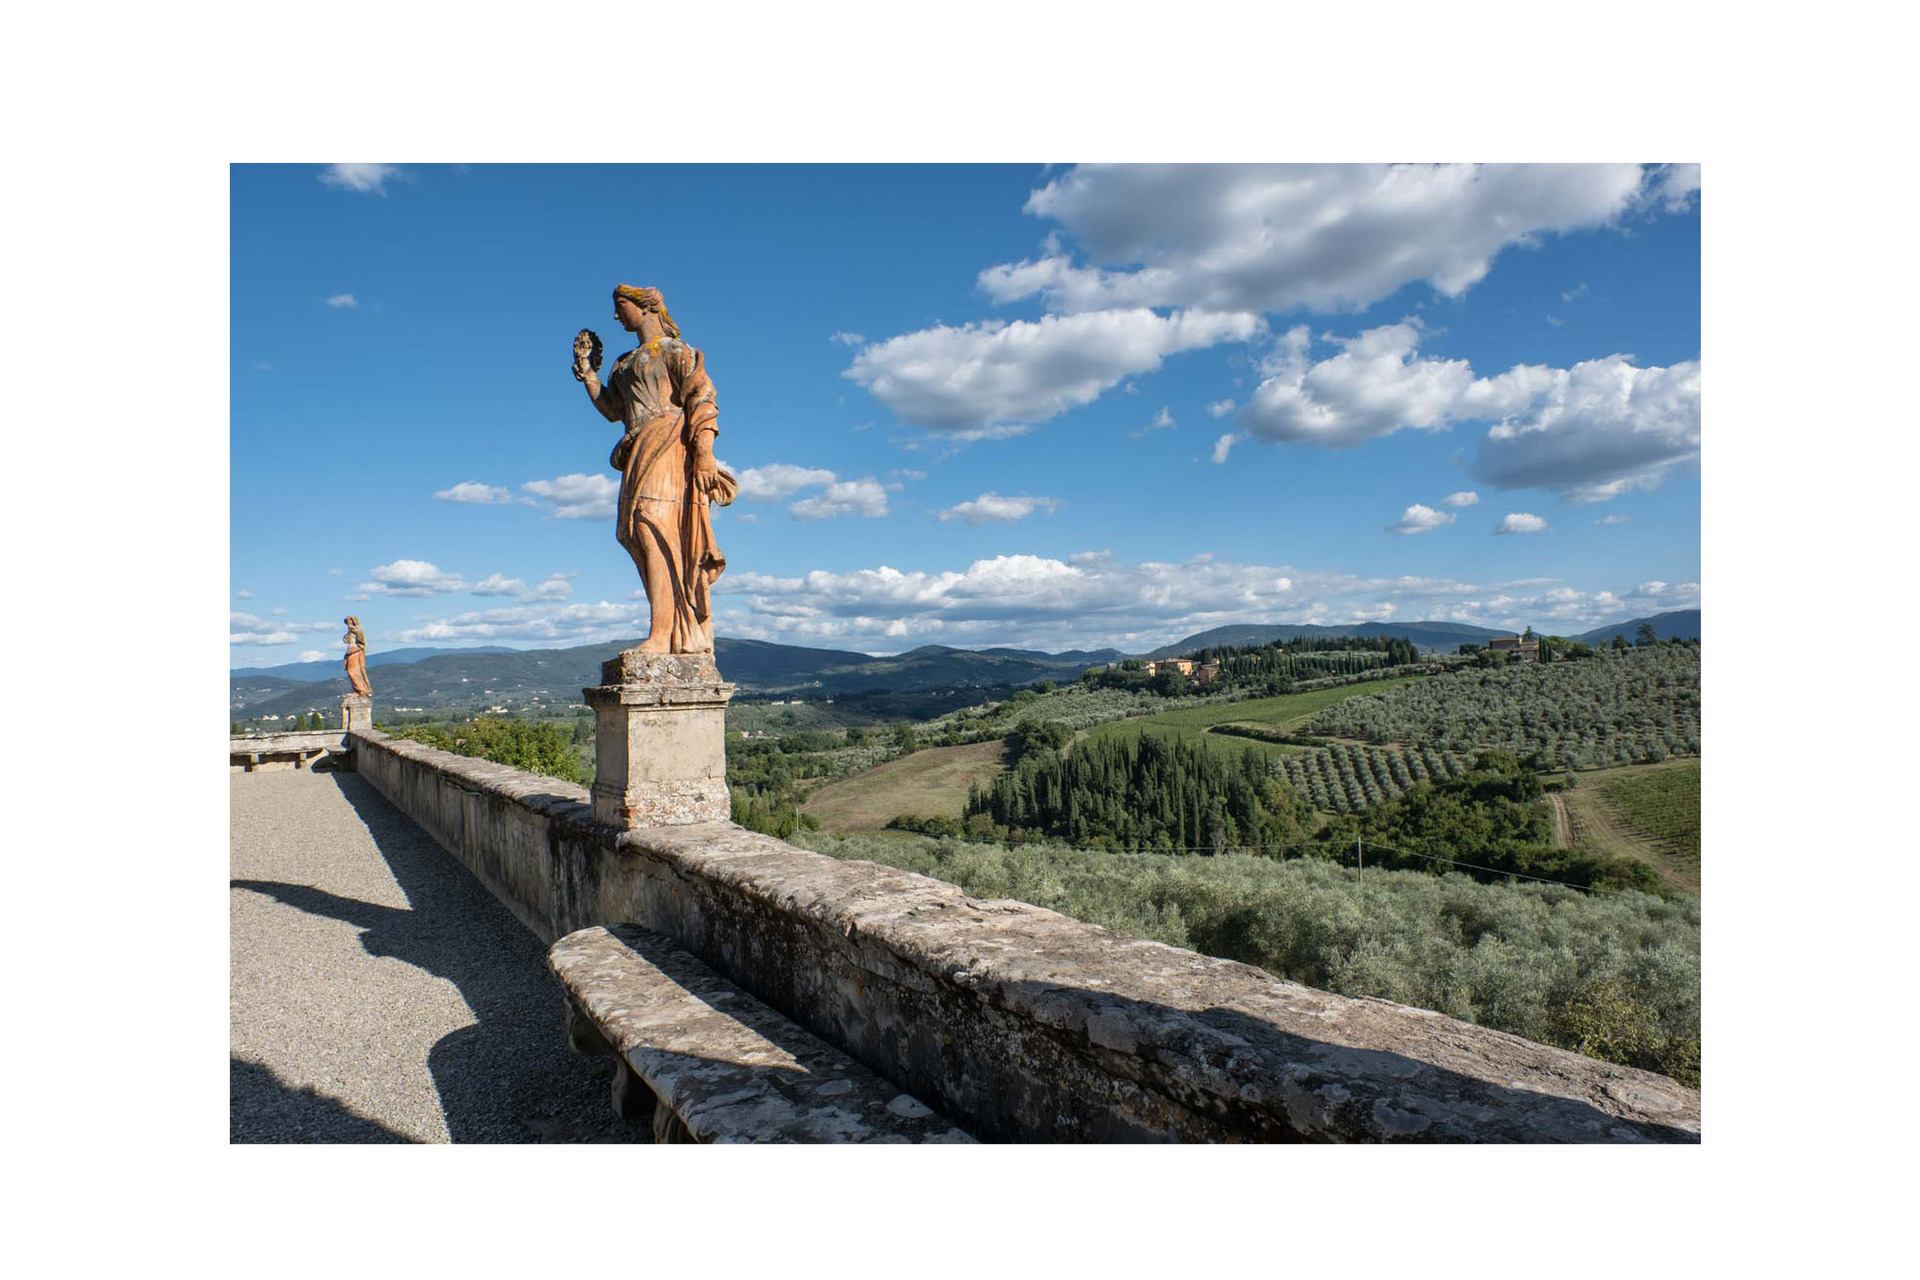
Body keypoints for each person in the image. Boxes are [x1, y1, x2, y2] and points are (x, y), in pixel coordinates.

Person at [574, 285, 736, 654]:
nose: (616, 317)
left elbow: (703, 401)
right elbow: (614, 410)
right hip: (637, 450)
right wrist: (588, 376)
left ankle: (664, 634)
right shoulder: (624, 363)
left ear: (645, 307)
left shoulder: (676, 352)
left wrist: (706, 455)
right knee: (634, 534)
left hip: (669, 444)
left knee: (652, 523)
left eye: (621, 308)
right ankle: (671, 628)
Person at [342, 616, 371, 696]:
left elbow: (362, 642)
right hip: (350, 651)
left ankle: (361, 689)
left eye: (350, 623)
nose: (348, 625)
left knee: (353, 671)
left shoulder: (358, 631)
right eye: (347, 623)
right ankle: (357, 689)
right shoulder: (350, 632)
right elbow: (346, 640)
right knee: (350, 671)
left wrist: (355, 632)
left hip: (355, 651)